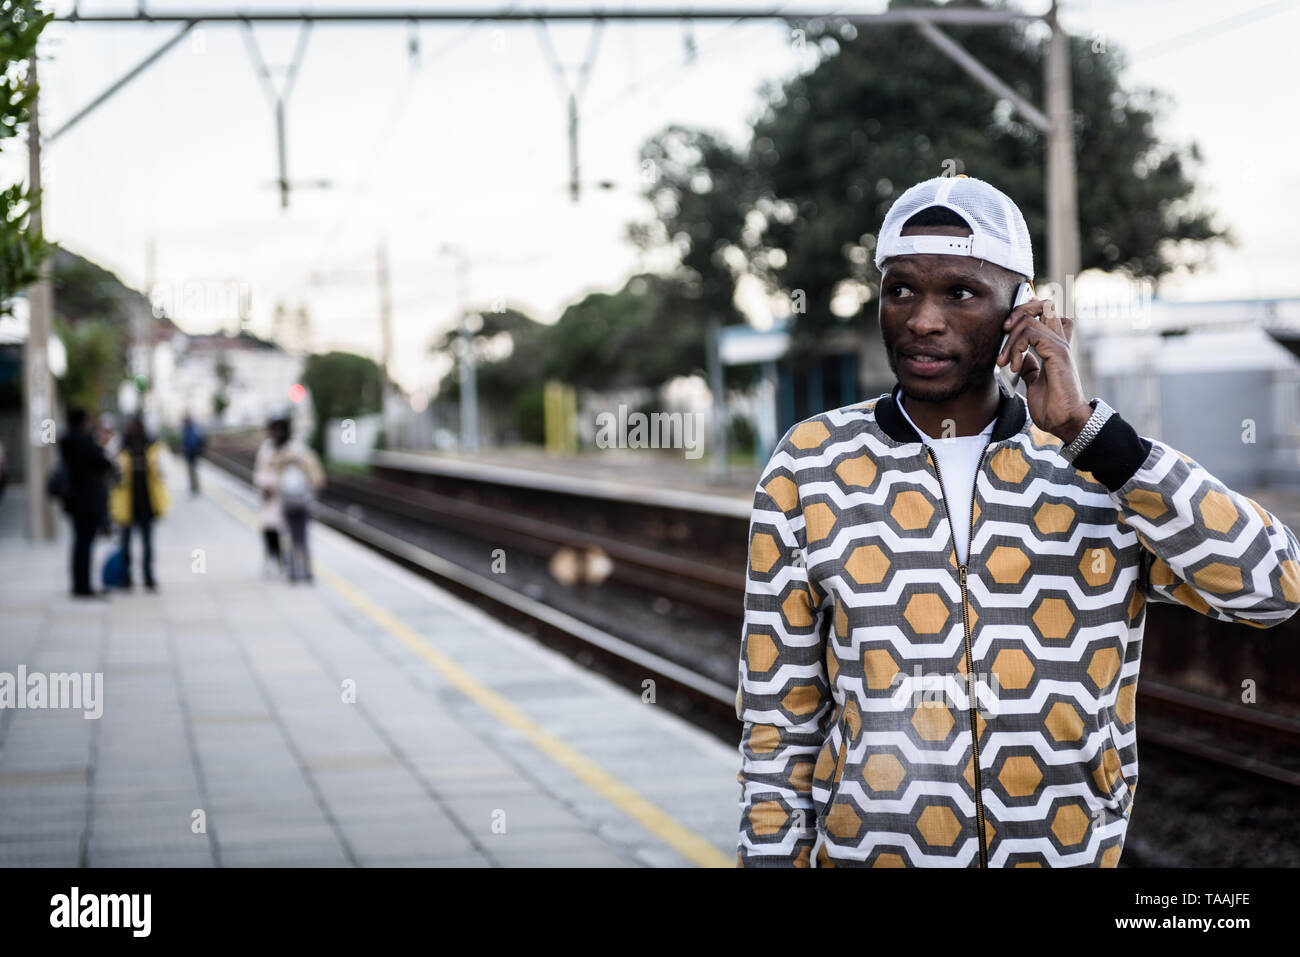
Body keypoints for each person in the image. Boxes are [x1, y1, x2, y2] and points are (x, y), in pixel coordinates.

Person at [735, 175, 1300, 868]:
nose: (923, 319)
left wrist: (1095, 437)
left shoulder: (1099, 466)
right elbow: (776, 722)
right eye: (901, 289)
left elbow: (1274, 587)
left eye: (961, 292)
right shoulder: (810, 465)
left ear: (1021, 311)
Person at [252, 409, 324, 581]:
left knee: (294, 536)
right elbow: (260, 472)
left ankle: (295, 568)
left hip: (291, 498)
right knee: (272, 531)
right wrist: (265, 486)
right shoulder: (267, 449)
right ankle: (276, 561)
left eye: (280, 428)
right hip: (272, 500)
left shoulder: (295, 448)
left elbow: (311, 472)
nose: (277, 432)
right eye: (274, 428)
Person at [57, 407, 114, 598]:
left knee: (78, 543)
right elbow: (104, 463)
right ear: (83, 421)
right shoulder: (85, 441)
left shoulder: (66, 442)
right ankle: (84, 586)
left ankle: (77, 583)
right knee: (85, 544)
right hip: (88, 502)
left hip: (73, 501)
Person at [109, 414, 169, 592]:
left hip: (148, 504)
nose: (132, 430)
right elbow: (112, 473)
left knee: (148, 544)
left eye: (134, 426)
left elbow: (162, 472)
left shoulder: (152, 447)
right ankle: (126, 577)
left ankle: (148, 577)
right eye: (129, 426)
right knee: (126, 544)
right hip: (126, 505)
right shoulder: (119, 448)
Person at [181, 413, 205, 494]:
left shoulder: (189, 430)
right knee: (193, 470)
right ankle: (194, 486)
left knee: (192, 470)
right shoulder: (193, 429)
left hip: (191, 453)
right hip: (192, 453)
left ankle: (195, 487)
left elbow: (190, 443)